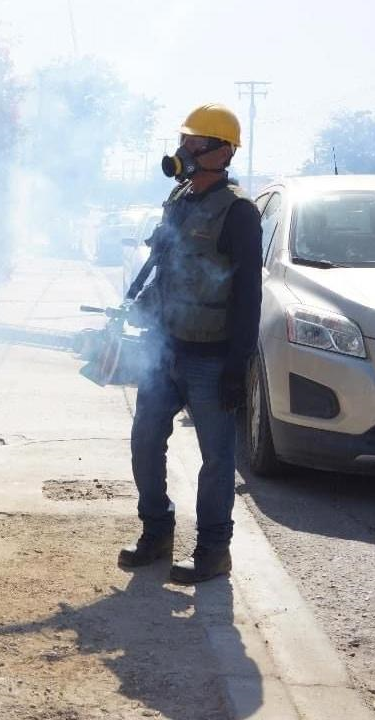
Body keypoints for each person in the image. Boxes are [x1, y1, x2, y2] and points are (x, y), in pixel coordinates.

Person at [117, 103, 263, 584]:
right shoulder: (179, 199)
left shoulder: (239, 212)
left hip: (211, 356)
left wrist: (236, 366)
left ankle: (213, 551)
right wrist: (135, 307)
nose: (184, 150)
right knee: (143, 442)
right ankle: (156, 531)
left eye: (195, 143)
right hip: (165, 349)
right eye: (184, 140)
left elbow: (248, 296)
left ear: (222, 152)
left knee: (217, 459)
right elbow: (160, 263)